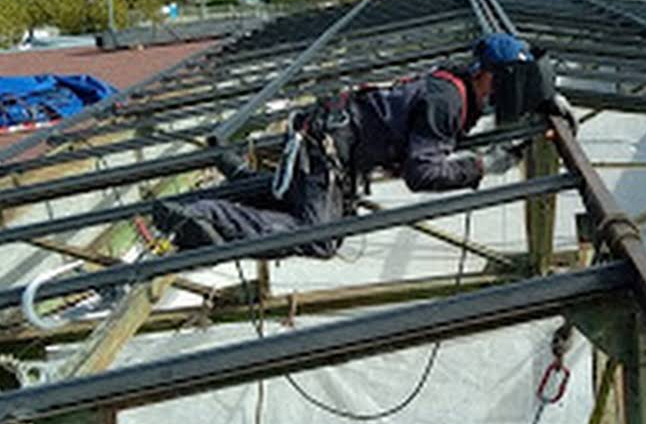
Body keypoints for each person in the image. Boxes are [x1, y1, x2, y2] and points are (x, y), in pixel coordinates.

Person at [152, 33, 574, 257]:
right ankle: (205, 213)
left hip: (328, 140)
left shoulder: (457, 89)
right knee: (319, 238)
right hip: (329, 149)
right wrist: (483, 166)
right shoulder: (448, 101)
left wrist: (545, 101)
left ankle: (229, 190)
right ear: (490, 78)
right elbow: (421, 173)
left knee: (301, 205)